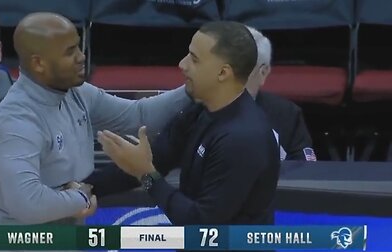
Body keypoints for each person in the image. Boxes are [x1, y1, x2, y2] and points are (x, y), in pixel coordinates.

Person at [0, 12, 192, 225]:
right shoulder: (16, 121)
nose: (81, 57)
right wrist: (82, 197)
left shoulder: (77, 93)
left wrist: (193, 89)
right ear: (39, 63)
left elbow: (138, 116)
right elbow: (27, 204)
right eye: (69, 52)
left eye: (78, 46)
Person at [98, 21, 281, 225]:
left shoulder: (243, 139)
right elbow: (156, 157)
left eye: (194, 59)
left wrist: (146, 175)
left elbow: (200, 224)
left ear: (223, 73)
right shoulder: (200, 110)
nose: (182, 64)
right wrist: (82, 188)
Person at [245, 26, 316, 161]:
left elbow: (305, 172)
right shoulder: (197, 110)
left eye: (242, 69)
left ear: (263, 73)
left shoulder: (287, 114)